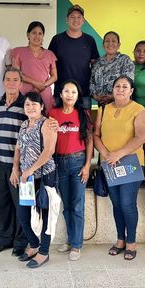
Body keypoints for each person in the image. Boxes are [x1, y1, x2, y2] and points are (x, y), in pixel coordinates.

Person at [93, 75, 145, 260]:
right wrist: (106, 154)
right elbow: (96, 135)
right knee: (116, 203)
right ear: (112, 89)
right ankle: (120, 240)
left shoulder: (138, 109)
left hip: (131, 163)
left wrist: (119, 154)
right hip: (110, 163)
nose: (120, 89)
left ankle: (131, 241)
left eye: (125, 86)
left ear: (131, 91)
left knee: (127, 203)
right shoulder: (104, 109)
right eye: (117, 86)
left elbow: (142, 137)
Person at [10, 92, 58, 269]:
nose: (30, 108)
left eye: (34, 104)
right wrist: (15, 168)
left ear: (42, 106)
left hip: (45, 176)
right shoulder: (24, 125)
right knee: (23, 215)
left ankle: (44, 252)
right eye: (27, 105)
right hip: (27, 179)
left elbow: (49, 151)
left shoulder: (47, 124)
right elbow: (18, 148)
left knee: (46, 216)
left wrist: (30, 170)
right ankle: (35, 245)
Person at [50, 80, 93, 261]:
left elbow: (89, 141)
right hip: (59, 162)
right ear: (60, 94)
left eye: (73, 92)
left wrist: (87, 165)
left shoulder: (83, 114)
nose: (70, 95)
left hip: (78, 162)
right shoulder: (52, 114)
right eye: (66, 91)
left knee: (77, 205)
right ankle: (70, 239)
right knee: (66, 205)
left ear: (77, 95)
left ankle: (76, 245)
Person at [0, 68, 29, 257]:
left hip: (19, 166)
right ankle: (5, 239)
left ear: (21, 83)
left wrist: (19, 166)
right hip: (0, 163)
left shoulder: (27, 104)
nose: (11, 83)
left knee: (21, 205)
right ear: (3, 82)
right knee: (2, 204)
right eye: (8, 79)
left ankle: (21, 242)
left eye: (15, 80)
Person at [48, 4, 100, 108]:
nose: (75, 20)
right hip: (61, 93)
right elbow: (48, 64)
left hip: (83, 93)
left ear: (83, 20)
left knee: (84, 119)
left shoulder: (89, 40)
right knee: (59, 119)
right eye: (72, 17)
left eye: (79, 17)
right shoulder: (57, 40)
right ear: (67, 20)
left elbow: (95, 66)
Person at [11, 21, 57, 111]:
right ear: (28, 35)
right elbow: (17, 74)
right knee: (24, 116)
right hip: (24, 92)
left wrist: (43, 86)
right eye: (34, 33)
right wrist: (36, 84)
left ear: (43, 36)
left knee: (45, 117)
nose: (37, 36)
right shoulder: (18, 52)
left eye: (40, 33)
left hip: (44, 93)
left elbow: (54, 76)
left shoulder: (49, 54)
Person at [90, 31, 135, 107]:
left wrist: (112, 96)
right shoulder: (98, 62)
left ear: (119, 45)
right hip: (102, 105)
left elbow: (128, 83)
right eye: (107, 41)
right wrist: (96, 96)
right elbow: (92, 82)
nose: (110, 44)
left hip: (121, 104)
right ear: (103, 45)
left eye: (113, 41)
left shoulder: (125, 60)